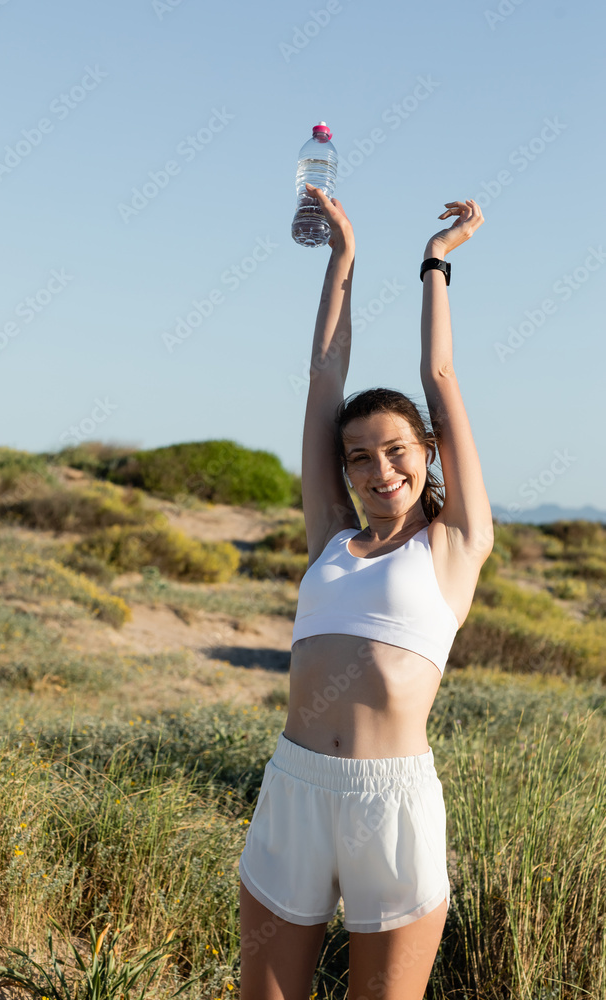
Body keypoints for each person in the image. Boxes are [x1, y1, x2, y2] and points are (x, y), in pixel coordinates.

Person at [238, 184, 493, 1000]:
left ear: (427, 453)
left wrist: (434, 262)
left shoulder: (453, 547)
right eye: (357, 457)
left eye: (394, 451)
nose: (378, 471)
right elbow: (323, 374)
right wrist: (342, 256)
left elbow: (440, 372)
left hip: (391, 804)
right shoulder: (330, 542)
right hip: (295, 789)